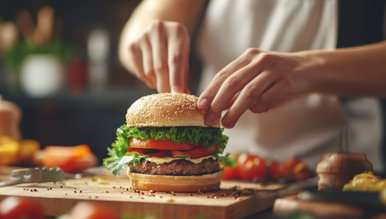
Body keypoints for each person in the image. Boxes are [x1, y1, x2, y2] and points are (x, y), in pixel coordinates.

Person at [118, 0, 386, 172]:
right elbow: (150, 14)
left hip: (339, 176)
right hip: (228, 171)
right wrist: (144, 33)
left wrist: (306, 69)